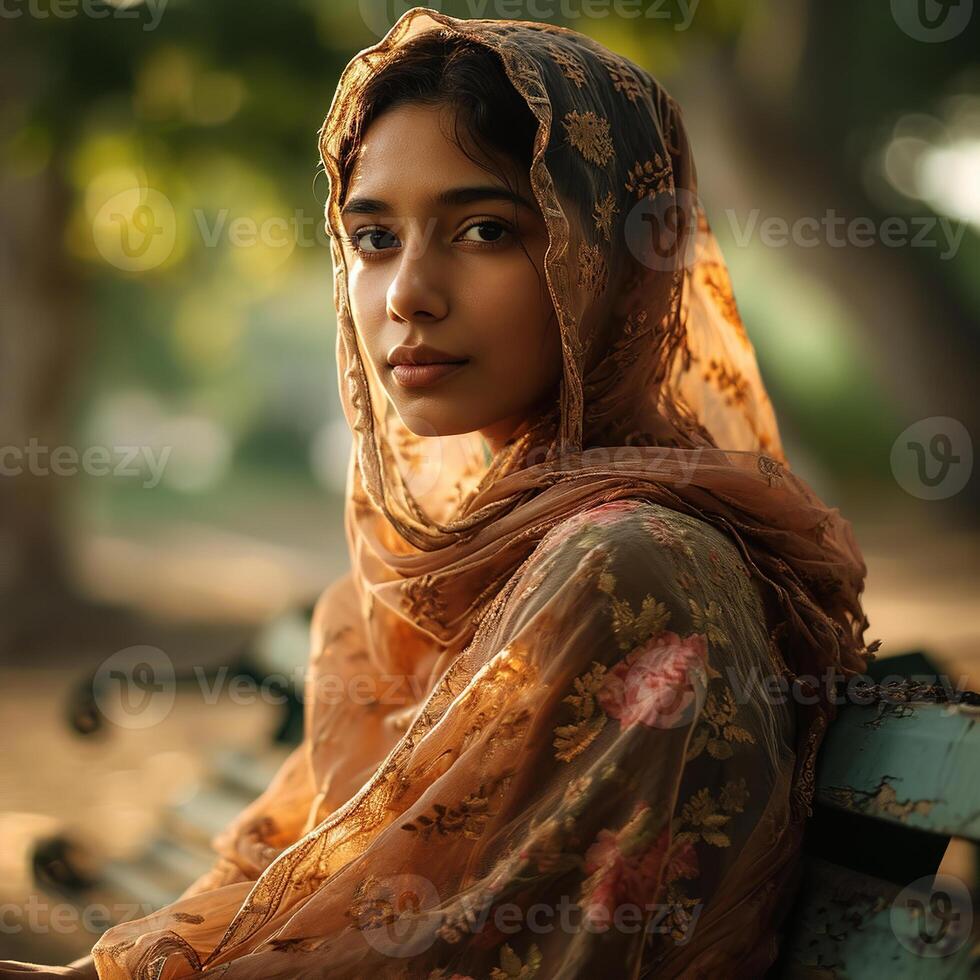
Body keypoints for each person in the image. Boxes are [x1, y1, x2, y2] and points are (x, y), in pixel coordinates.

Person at [5, 7, 878, 978]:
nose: (408, 292)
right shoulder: (452, 566)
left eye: (483, 228)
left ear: (619, 259)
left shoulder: (621, 565)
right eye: (373, 237)